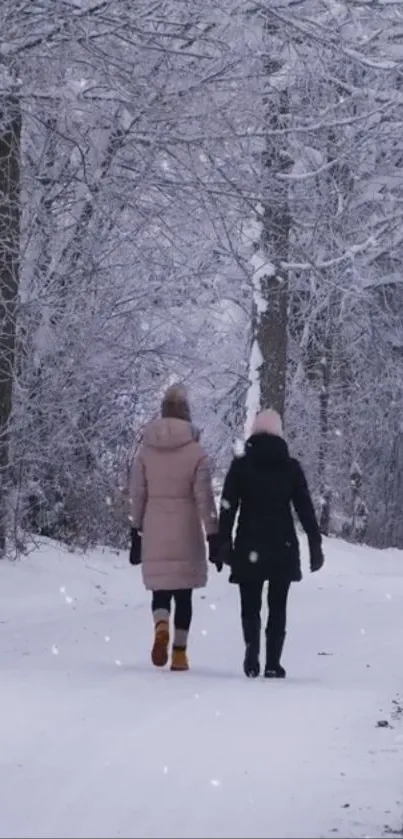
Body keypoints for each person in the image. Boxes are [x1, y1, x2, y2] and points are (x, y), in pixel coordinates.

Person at [218, 409, 324, 679]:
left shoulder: (241, 466)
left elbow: (227, 507)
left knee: (250, 605)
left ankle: (252, 654)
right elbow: (305, 509)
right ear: (279, 433)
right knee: (278, 605)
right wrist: (314, 543)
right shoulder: (290, 467)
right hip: (282, 545)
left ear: (253, 432)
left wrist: (223, 542)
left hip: (248, 543)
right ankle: (273, 663)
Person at [129, 385, 221, 672]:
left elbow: (137, 493)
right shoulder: (196, 452)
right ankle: (179, 653)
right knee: (184, 592)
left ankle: (160, 626)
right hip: (185, 525)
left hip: (155, 524)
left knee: (160, 587)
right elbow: (204, 497)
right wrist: (213, 532)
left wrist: (136, 528)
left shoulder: (145, 451)